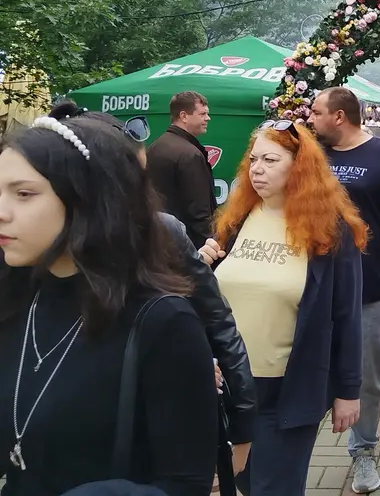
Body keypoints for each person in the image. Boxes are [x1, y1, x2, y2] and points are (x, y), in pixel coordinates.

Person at [0, 116, 218, 495]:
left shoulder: (162, 322)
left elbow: (186, 481)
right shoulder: (16, 300)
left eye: (24, 194)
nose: (2, 210)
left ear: (86, 199)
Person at [49, 102, 257, 471]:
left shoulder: (161, 232)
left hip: (143, 437)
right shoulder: (27, 255)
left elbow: (219, 323)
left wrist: (241, 425)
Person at [199, 120, 366, 495]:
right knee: (241, 482)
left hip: (288, 391)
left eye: (270, 160)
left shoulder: (330, 231)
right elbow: (209, 299)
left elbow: (347, 316)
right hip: (228, 388)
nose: (257, 169)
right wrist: (199, 267)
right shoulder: (238, 219)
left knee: (275, 487)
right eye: (254, 159)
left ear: (299, 167)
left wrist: (348, 391)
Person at [307, 87, 380, 495]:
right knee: (308, 368)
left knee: (364, 373)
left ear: (339, 116)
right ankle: (296, 452)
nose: (310, 118)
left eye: (317, 111)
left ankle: (363, 452)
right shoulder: (312, 154)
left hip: (368, 286)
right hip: (310, 286)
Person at [146, 91, 215, 248]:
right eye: (203, 114)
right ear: (184, 116)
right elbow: (199, 214)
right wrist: (209, 252)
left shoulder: (155, 147)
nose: (207, 118)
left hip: (157, 241)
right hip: (188, 247)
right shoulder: (190, 155)